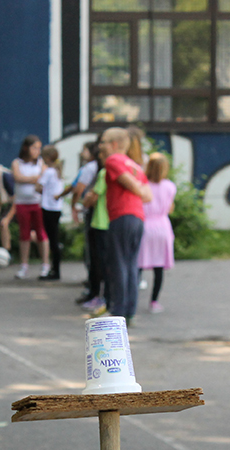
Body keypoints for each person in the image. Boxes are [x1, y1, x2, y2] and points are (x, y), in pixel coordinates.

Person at [101, 127, 152, 323]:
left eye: (103, 142)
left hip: (122, 216)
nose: (101, 146)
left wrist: (135, 187)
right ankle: (129, 311)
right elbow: (146, 194)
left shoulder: (113, 160)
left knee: (119, 264)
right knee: (131, 264)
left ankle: (118, 311)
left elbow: (134, 187)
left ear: (114, 144)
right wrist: (137, 188)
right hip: (137, 217)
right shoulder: (135, 165)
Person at [59, 141, 99, 302]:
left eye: (84, 150)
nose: (82, 154)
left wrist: (75, 206)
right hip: (95, 212)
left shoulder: (89, 168)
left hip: (92, 212)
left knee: (92, 251)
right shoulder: (95, 167)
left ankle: (93, 286)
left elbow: (78, 188)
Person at [137, 152, 177, 314]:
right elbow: (170, 208)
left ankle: (131, 299)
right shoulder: (170, 186)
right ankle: (154, 301)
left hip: (145, 226)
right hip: (162, 227)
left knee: (137, 265)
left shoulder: (142, 185)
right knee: (159, 268)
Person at [11, 135, 49, 279]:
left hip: (37, 202)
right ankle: (24, 265)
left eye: (39, 148)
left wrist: (28, 179)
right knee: (24, 233)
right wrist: (34, 179)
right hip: (22, 203)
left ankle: (45, 264)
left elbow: (43, 178)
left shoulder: (41, 162)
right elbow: (17, 177)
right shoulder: (17, 162)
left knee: (41, 233)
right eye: (34, 148)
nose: (37, 151)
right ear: (26, 148)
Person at [80, 138, 110, 314]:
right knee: (101, 262)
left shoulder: (104, 173)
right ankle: (100, 295)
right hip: (105, 222)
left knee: (99, 262)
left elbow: (91, 197)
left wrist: (86, 199)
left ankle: (100, 296)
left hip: (100, 222)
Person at [38, 145, 65, 280]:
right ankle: (55, 269)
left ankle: (55, 271)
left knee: (52, 240)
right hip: (57, 208)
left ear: (47, 158)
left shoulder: (48, 172)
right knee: (54, 239)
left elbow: (38, 187)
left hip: (48, 207)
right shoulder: (57, 171)